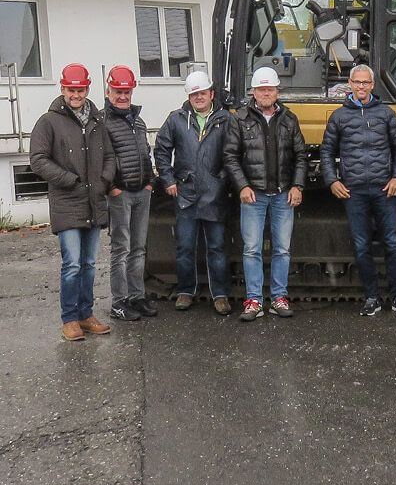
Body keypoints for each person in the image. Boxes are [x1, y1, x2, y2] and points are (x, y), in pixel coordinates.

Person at [29, 63, 115, 341]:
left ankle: (86, 314)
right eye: (71, 89)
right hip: (67, 202)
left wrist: (103, 181)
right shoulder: (48, 121)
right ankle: (69, 319)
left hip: (93, 201)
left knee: (90, 263)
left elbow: (110, 156)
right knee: (73, 264)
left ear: (87, 89)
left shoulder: (97, 120)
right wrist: (69, 179)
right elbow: (38, 160)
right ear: (62, 89)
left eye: (80, 89)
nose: (76, 94)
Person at [319, 65, 396, 317]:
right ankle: (371, 297)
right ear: (350, 83)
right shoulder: (338, 117)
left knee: (392, 243)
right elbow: (326, 152)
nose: (361, 87)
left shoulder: (386, 114)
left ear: (373, 85)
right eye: (357, 82)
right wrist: (332, 180)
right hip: (354, 191)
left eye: (366, 83)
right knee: (361, 246)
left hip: (385, 189)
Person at [223, 66, 307, 322]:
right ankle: (254, 300)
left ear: (277, 90)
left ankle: (279, 298)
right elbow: (230, 156)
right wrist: (242, 186)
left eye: (270, 88)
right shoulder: (239, 119)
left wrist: (297, 186)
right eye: (261, 89)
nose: (266, 93)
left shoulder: (289, 119)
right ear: (254, 92)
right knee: (252, 250)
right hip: (254, 196)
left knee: (282, 249)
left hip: (283, 195)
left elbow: (301, 156)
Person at [154, 71, 232, 315]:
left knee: (217, 248)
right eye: (194, 93)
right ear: (189, 96)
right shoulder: (176, 119)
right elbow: (162, 150)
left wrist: (225, 181)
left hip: (214, 194)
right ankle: (186, 291)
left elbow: (234, 154)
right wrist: (167, 179)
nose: (198, 97)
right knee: (185, 247)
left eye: (202, 92)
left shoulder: (225, 120)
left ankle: (220, 294)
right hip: (185, 194)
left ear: (211, 93)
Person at [102, 65, 156, 322]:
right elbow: (100, 158)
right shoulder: (102, 121)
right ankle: (119, 302)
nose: (122, 96)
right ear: (108, 90)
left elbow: (145, 152)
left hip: (141, 192)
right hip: (120, 194)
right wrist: (111, 187)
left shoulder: (139, 120)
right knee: (120, 250)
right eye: (118, 91)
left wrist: (150, 181)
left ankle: (136, 297)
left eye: (127, 91)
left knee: (139, 248)